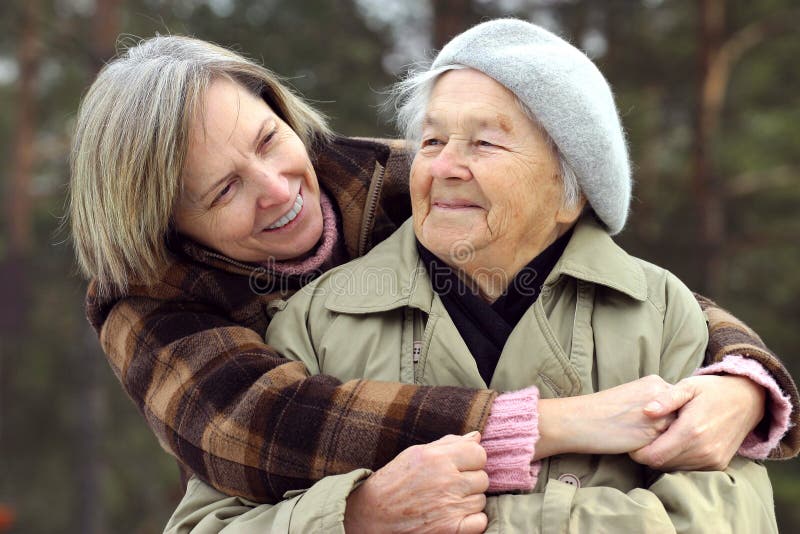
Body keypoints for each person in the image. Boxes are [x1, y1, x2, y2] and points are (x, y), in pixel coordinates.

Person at [66, 31, 796, 527]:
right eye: (224, 190)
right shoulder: (154, 299)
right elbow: (259, 426)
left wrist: (742, 377)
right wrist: (360, 516)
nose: (279, 188)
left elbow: (617, 281)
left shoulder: (389, 176)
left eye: (268, 139)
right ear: (167, 225)